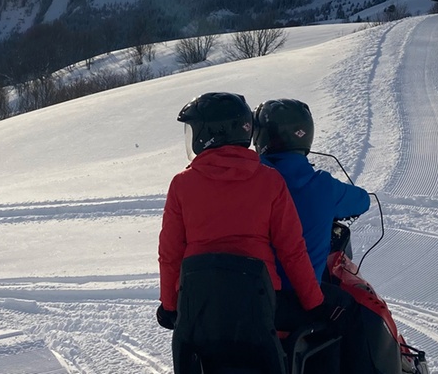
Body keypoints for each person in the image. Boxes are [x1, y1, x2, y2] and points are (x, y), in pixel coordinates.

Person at [157, 92, 345, 335]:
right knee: (333, 325)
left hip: (199, 302)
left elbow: (170, 252)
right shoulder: (269, 180)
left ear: (207, 134)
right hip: (260, 302)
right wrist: (313, 302)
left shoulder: (182, 184)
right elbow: (292, 249)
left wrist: (169, 305)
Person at [253, 98, 370, 285]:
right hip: (306, 296)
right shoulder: (323, 185)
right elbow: (363, 200)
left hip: (257, 296)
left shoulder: (249, 182)